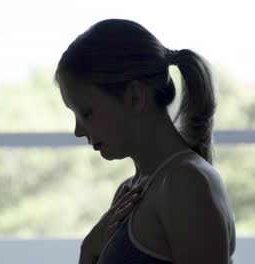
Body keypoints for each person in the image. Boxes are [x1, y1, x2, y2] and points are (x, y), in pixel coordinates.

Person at [54, 18, 236, 264]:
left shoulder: (186, 183)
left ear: (135, 96)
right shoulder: (131, 190)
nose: (78, 130)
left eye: (86, 113)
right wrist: (88, 251)